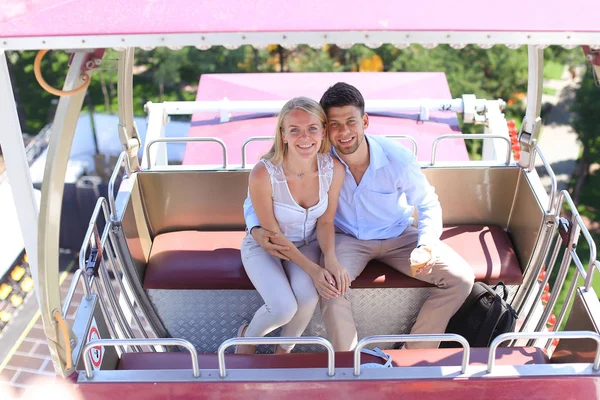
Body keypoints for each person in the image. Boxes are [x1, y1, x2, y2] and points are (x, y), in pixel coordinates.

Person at [247, 83, 475, 351]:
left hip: (399, 235)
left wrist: (426, 243)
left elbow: (427, 202)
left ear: (364, 121)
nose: (344, 132)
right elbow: (259, 195)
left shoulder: (397, 159)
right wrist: (255, 228)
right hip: (347, 238)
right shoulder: (318, 155)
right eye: (334, 124)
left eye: (350, 122)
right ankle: (348, 361)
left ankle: (415, 351)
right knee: (331, 286)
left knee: (461, 279)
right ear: (325, 128)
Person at [236, 97, 346, 354]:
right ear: (283, 135)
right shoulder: (263, 173)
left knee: (307, 298)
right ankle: (245, 341)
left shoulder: (333, 169)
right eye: (294, 130)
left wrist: (329, 259)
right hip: (265, 247)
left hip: (306, 244)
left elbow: (326, 220)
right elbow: (272, 234)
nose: (304, 137)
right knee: (283, 308)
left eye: (312, 128)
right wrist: (314, 270)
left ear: (323, 131)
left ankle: (282, 352)